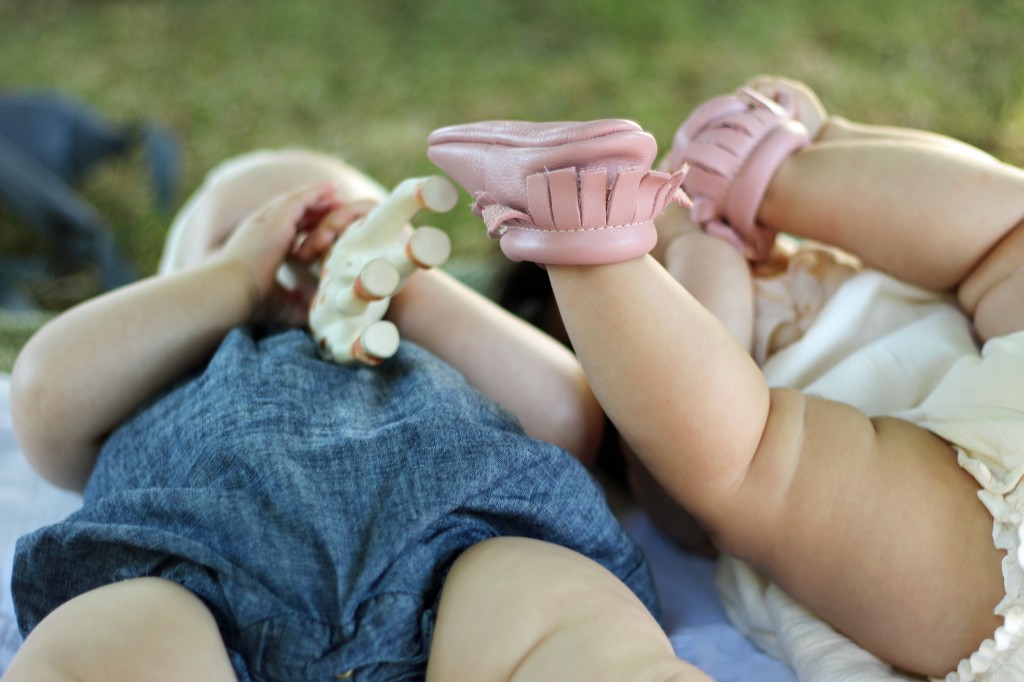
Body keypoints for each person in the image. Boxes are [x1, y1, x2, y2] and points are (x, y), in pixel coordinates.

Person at [3, 149, 709, 681]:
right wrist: (233, 282)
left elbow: (567, 414)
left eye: (351, 220)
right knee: (100, 646)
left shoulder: (424, 349)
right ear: (166, 287)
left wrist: (408, 292)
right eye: (238, 232)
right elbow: (41, 396)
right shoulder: (152, 366)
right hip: (188, 578)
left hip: (456, 556)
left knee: (553, 605)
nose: (303, 248)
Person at [426, 75, 1024, 680]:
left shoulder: (887, 268)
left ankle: (783, 167)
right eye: (659, 256)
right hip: (984, 525)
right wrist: (697, 244)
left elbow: (990, 234)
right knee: (745, 462)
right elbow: (694, 473)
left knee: (1009, 239)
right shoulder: (730, 431)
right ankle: (580, 237)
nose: (715, 233)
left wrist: (810, 162)